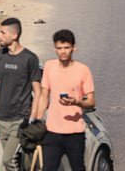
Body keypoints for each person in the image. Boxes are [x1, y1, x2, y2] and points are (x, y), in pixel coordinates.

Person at [0, 18, 42, 171]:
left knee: (8, 160)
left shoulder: (29, 58)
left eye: (2, 32)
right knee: (13, 161)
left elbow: (38, 91)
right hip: (2, 120)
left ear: (14, 35)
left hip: (20, 119)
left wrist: (33, 117)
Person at [35, 29, 94, 171]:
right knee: (47, 168)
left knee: (77, 168)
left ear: (74, 48)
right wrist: (37, 124)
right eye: (59, 48)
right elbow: (43, 97)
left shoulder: (83, 70)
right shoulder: (49, 66)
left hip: (75, 133)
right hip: (52, 131)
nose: (62, 52)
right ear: (55, 48)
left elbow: (91, 102)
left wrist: (76, 102)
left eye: (66, 48)